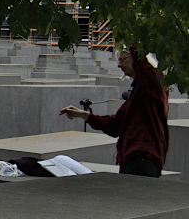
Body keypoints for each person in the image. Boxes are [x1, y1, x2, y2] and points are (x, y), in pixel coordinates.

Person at [59, 48, 169, 177]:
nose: (119, 65)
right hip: (131, 159)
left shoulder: (154, 85)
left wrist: (134, 41)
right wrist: (85, 115)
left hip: (143, 159)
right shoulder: (138, 91)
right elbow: (115, 126)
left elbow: (147, 71)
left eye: (123, 59)